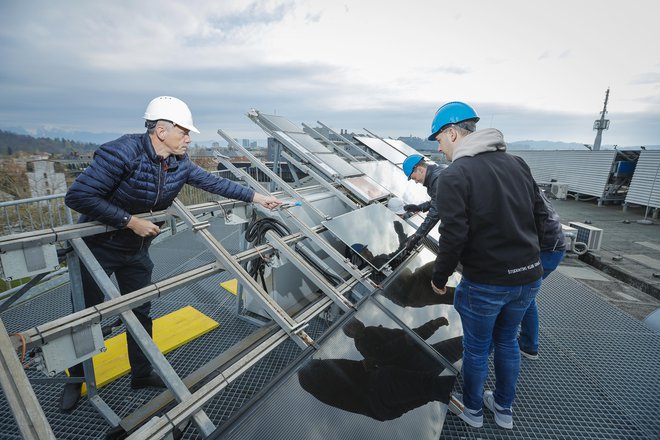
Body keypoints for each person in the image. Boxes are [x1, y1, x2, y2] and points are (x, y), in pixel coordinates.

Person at [61, 96, 281, 412]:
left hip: (136, 252)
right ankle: (76, 380)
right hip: (98, 249)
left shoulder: (178, 162)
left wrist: (258, 197)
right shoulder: (122, 153)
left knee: (140, 313)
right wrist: (130, 221)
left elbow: (214, 183)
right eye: (185, 132)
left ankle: (141, 373)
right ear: (162, 131)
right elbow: (78, 196)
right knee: (83, 320)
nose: (189, 139)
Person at [428, 101, 544, 430]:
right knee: (507, 340)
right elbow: (537, 216)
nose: (438, 146)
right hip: (528, 276)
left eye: (438, 138)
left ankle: (474, 410)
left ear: (452, 133)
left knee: (476, 347)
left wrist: (440, 276)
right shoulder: (518, 164)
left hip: (487, 281)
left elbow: (453, 236)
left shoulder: (455, 176)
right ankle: (504, 409)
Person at [518, 188, 566, 359]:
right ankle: (528, 343)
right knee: (526, 296)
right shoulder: (524, 185)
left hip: (547, 251)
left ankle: (529, 345)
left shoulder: (520, 191)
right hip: (550, 247)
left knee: (525, 296)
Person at [400, 154, 446, 251]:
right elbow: (438, 200)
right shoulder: (438, 172)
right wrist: (419, 207)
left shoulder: (437, 180)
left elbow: (435, 212)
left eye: (414, 178)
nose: (416, 182)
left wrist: (418, 235)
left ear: (420, 169)